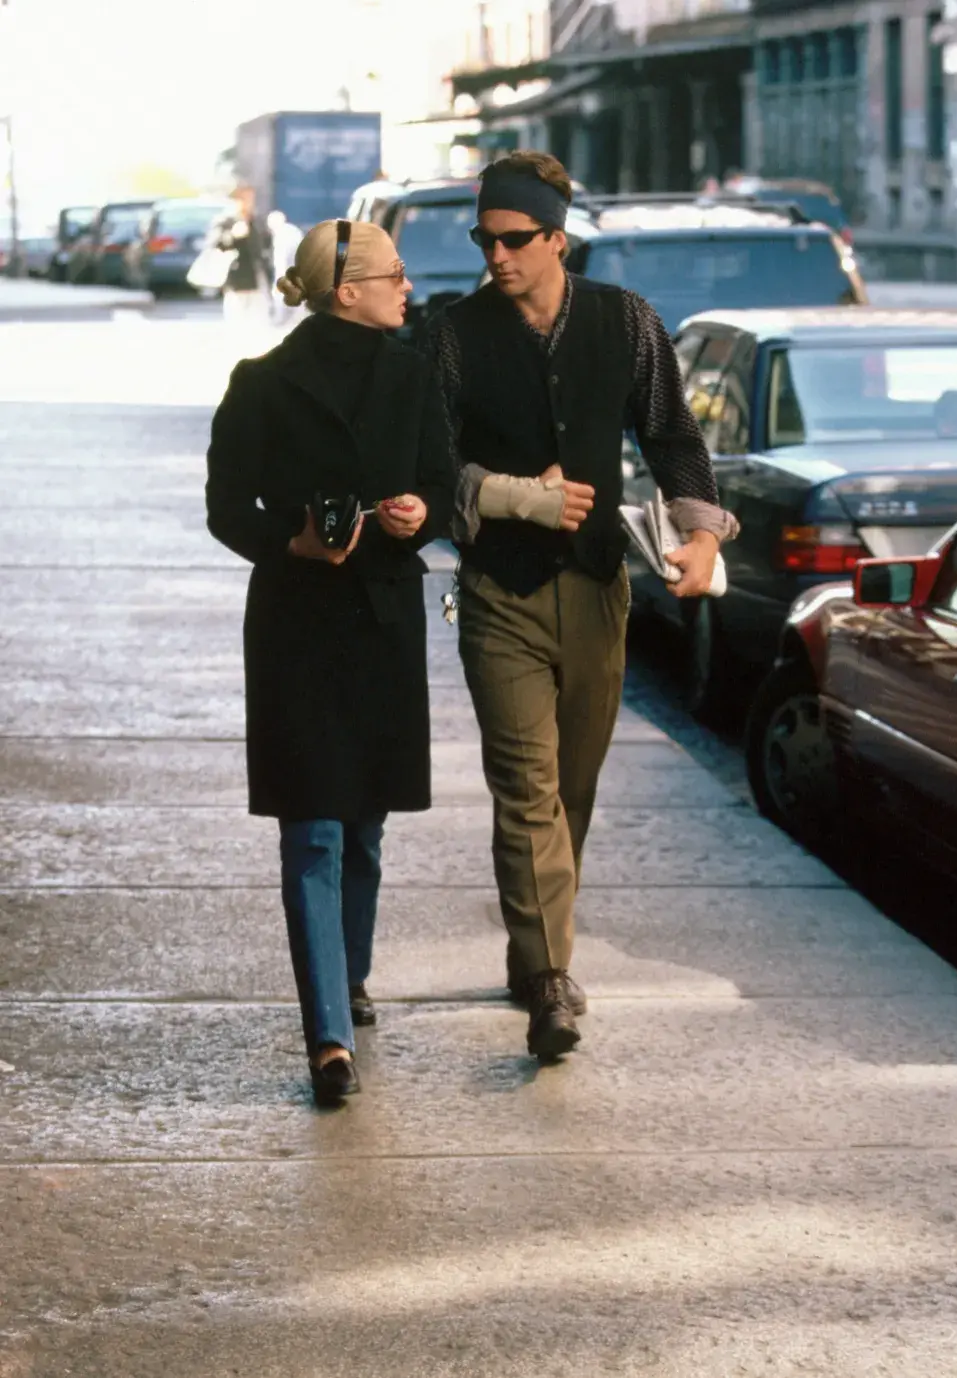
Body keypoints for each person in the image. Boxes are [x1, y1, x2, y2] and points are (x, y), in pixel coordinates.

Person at [430, 151, 739, 1062]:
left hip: (600, 588)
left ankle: (537, 949)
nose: (496, 256)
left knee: (571, 790)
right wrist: (509, 494)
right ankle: (551, 981)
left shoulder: (627, 322)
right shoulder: (453, 335)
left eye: (514, 240)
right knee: (526, 789)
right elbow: (426, 463)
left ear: (558, 239)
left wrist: (703, 535)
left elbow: (673, 435)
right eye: (484, 239)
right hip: (500, 592)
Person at [205, 220, 453, 1105]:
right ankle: (329, 1038)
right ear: (346, 289)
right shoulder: (263, 384)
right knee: (312, 826)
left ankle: (348, 977)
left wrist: (420, 512)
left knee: (366, 825)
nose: (407, 288)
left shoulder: (414, 373)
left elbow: (444, 482)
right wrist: (296, 539)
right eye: (393, 276)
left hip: (383, 616)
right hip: (297, 621)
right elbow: (226, 507)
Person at [216, 186, 274, 331]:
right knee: (237, 320)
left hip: (258, 277)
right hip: (236, 278)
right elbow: (215, 244)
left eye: (250, 199)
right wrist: (231, 236)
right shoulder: (226, 220)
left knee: (259, 321)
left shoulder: (257, 220)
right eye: (244, 199)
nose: (248, 203)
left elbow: (266, 244)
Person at [267, 209, 303, 324]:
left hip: (288, 270)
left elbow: (281, 258)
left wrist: (280, 276)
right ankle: (297, 319)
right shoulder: (293, 230)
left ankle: (280, 319)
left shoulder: (281, 234)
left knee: (279, 294)